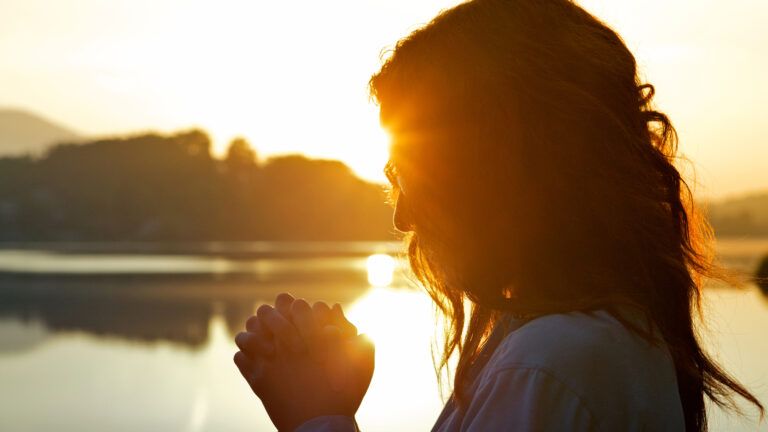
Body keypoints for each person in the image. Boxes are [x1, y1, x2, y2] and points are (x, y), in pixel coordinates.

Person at [233, 0, 765, 430]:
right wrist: (333, 404)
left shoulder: (546, 365)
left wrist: (315, 420)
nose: (404, 219)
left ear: (495, 171)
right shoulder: (597, 337)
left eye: (417, 175)